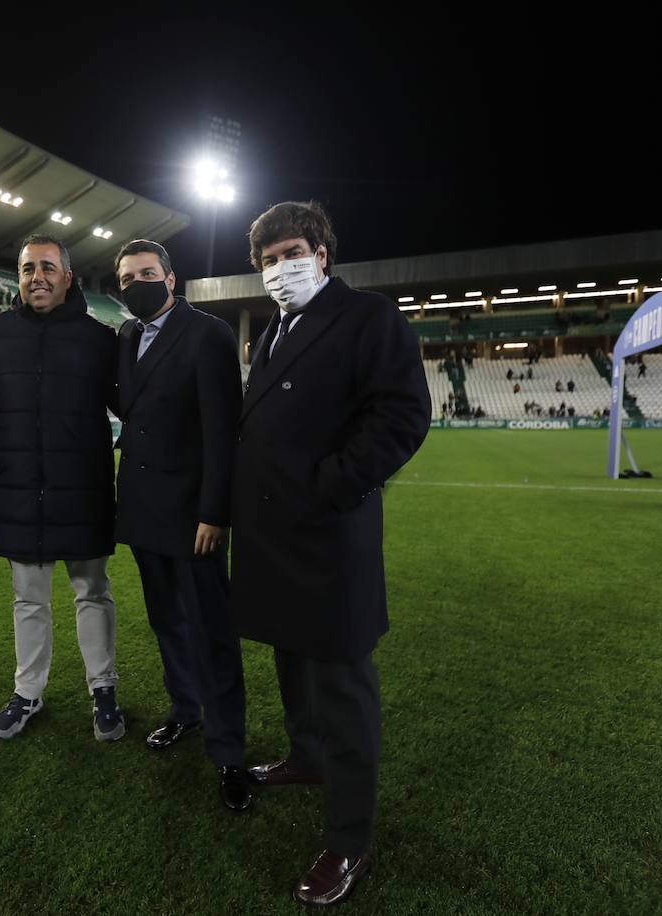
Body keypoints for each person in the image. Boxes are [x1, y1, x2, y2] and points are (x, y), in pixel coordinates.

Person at [232, 202, 430, 907]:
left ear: (322, 253)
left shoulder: (368, 318)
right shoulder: (281, 328)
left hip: (326, 536)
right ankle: (306, 759)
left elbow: (405, 415)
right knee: (290, 658)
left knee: (343, 687)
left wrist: (329, 485)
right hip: (273, 538)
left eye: (290, 251)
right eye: (266, 259)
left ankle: (349, 839)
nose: (278, 267)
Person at [110, 238, 249, 810]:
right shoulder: (124, 336)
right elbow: (128, 408)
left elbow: (223, 430)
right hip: (142, 507)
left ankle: (229, 750)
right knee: (167, 620)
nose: (137, 283)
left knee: (210, 631)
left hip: (192, 516)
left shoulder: (210, 333)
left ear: (171, 279)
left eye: (147, 273)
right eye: (126, 278)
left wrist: (214, 511)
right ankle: (185, 710)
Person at [0, 234, 123, 742]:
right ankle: (28, 691)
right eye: (27, 268)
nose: (37, 276)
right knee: (28, 601)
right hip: (18, 494)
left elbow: (139, 412)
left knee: (93, 594)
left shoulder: (101, 340)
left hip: (84, 492)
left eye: (47, 268)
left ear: (68, 277)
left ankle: (103, 688)